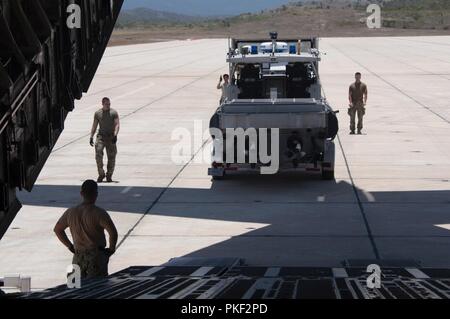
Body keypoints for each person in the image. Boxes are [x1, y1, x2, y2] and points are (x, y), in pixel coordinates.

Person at [54, 180, 118, 279]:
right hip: (95, 258)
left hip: (77, 257)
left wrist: (70, 246)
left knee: (74, 289)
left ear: (81, 193)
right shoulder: (99, 213)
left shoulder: (70, 212)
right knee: (96, 289)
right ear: (96, 194)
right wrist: (111, 250)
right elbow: (113, 233)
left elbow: (57, 230)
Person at [90, 97, 120, 182]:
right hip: (101, 137)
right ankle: (101, 174)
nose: (108, 105)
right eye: (106, 104)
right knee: (98, 154)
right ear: (102, 104)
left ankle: (109, 175)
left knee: (112, 157)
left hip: (111, 137)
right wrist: (91, 136)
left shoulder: (113, 113)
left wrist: (115, 135)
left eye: (109, 104)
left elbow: (117, 124)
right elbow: (94, 125)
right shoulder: (98, 113)